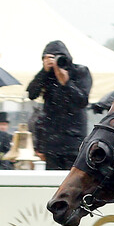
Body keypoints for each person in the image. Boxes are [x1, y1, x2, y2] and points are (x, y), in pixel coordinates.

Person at [26, 40, 91, 170]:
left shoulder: (79, 72)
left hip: (74, 138)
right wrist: (44, 71)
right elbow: (31, 93)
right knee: (53, 179)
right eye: (51, 58)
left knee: (73, 179)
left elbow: (82, 101)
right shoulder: (47, 76)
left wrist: (67, 83)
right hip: (51, 140)